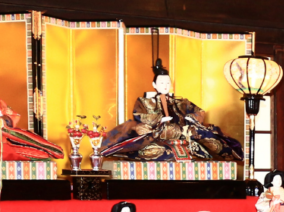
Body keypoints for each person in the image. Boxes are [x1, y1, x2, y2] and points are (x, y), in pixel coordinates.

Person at [100, 58, 242, 162]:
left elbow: (199, 111)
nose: (165, 85)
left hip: (182, 135)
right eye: (161, 82)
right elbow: (139, 116)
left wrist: (190, 118)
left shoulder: (181, 102)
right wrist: (159, 120)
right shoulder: (145, 101)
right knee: (154, 150)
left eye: (168, 82)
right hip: (158, 135)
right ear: (154, 84)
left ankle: (230, 153)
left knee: (206, 136)